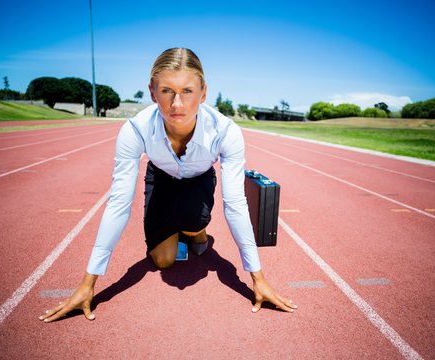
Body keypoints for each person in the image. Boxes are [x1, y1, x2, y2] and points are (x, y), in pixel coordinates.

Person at [39, 48, 297, 323]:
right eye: (166, 90)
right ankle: (179, 227)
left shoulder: (225, 131)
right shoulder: (135, 130)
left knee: (193, 224)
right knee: (163, 260)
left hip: (199, 179)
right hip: (161, 179)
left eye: (187, 91)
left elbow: (234, 204)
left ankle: (196, 230)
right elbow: (119, 204)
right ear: (152, 92)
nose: (177, 103)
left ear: (203, 93)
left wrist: (258, 277)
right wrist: (87, 284)